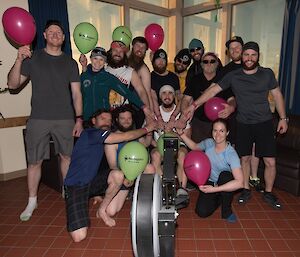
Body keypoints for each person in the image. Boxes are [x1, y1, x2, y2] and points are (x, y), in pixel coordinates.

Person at [183, 41, 288, 209]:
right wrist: (193, 105)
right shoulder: (234, 75)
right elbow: (213, 91)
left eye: (253, 55)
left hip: (265, 123)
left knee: (270, 161)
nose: (249, 58)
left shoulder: (267, 74)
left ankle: (268, 192)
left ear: (258, 56)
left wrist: (283, 118)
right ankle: (245, 189)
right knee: (244, 159)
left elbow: (277, 95)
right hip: (243, 123)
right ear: (242, 56)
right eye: (246, 54)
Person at [7, 20, 83, 221]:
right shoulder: (33, 58)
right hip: (38, 118)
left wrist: (79, 119)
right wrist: (18, 60)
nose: (55, 34)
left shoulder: (70, 63)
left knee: (67, 158)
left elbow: (76, 94)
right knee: (34, 162)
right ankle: (32, 200)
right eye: (51, 31)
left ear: (64, 38)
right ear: (44, 35)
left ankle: (67, 193)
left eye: (59, 32)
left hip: (65, 118)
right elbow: (13, 84)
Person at [64, 109, 157, 242]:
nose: (107, 122)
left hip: (93, 181)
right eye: (103, 119)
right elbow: (124, 137)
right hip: (76, 186)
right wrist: (148, 128)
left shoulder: (105, 138)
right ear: (93, 121)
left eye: (109, 120)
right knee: (79, 237)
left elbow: (139, 143)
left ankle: (102, 210)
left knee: (117, 175)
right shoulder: (91, 133)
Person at [177, 118, 243, 223]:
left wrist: (215, 189)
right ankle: (219, 198)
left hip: (224, 182)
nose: (218, 134)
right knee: (201, 212)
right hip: (210, 181)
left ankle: (227, 211)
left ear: (227, 133)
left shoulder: (231, 154)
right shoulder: (209, 143)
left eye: (221, 131)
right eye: (215, 130)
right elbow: (194, 146)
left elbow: (240, 183)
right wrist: (181, 134)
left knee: (225, 175)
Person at [222, 36, 263, 192]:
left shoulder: (255, 67)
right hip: (234, 116)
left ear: (244, 49)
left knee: (253, 147)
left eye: (237, 47)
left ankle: (253, 177)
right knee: (236, 148)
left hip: (254, 116)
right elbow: (223, 92)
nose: (234, 51)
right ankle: (238, 177)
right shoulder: (226, 70)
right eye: (231, 49)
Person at [102, 106, 155, 225]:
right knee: (110, 211)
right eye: (123, 118)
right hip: (123, 177)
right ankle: (124, 192)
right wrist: (126, 178)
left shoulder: (135, 133)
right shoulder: (112, 139)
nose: (126, 121)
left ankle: (144, 200)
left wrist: (149, 132)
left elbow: (146, 144)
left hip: (138, 172)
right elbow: (113, 166)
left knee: (150, 168)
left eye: (129, 118)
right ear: (117, 120)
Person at [80, 46, 149, 126]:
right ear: (91, 59)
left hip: (103, 119)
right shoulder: (84, 76)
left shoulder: (108, 77)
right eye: (95, 58)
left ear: (105, 62)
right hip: (86, 119)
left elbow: (126, 93)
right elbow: (79, 97)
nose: (98, 62)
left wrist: (143, 107)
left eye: (101, 59)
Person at [181, 52, 235, 143]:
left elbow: (232, 99)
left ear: (217, 64)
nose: (209, 64)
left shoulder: (223, 80)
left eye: (212, 61)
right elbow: (186, 99)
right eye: (205, 61)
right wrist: (185, 115)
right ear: (202, 65)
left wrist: (231, 107)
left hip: (219, 124)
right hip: (199, 124)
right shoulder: (195, 80)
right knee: (198, 152)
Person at [150, 85, 191, 196]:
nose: (167, 96)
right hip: (159, 146)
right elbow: (148, 136)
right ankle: (160, 187)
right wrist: (156, 144)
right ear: (160, 96)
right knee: (155, 155)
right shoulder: (154, 112)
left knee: (182, 154)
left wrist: (173, 133)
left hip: (178, 146)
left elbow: (187, 137)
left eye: (170, 93)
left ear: (174, 96)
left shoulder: (181, 112)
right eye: (164, 93)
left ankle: (182, 188)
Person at [150, 48, 181, 128]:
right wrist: (159, 118)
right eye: (158, 59)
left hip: (173, 113)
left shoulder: (174, 77)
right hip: (155, 114)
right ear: (153, 61)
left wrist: (175, 116)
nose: (160, 62)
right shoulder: (150, 77)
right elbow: (153, 98)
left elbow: (179, 98)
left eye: (163, 60)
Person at [128, 36, 154, 127]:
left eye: (143, 48)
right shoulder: (123, 62)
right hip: (118, 107)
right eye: (138, 46)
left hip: (136, 110)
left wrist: (149, 115)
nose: (140, 49)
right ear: (133, 46)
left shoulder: (144, 70)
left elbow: (147, 93)